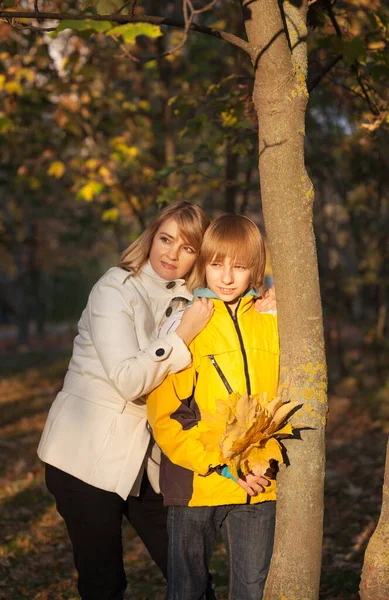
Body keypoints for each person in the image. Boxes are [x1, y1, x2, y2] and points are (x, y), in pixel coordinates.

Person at [38, 201, 216, 600]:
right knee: (104, 583)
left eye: (187, 247)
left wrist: (268, 306)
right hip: (85, 458)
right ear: (151, 237)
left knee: (190, 574)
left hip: (147, 463)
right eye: (166, 239)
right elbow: (127, 380)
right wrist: (181, 337)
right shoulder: (114, 287)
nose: (171, 253)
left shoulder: (195, 300)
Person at [147, 214, 280, 600]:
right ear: (204, 263)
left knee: (252, 591)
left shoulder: (271, 322)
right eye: (216, 264)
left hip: (259, 486)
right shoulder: (189, 324)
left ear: (255, 268)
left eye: (239, 267)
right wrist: (223, 464)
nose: (226, 277)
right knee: (187, 590)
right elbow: (167, 416)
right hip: (198, 485)